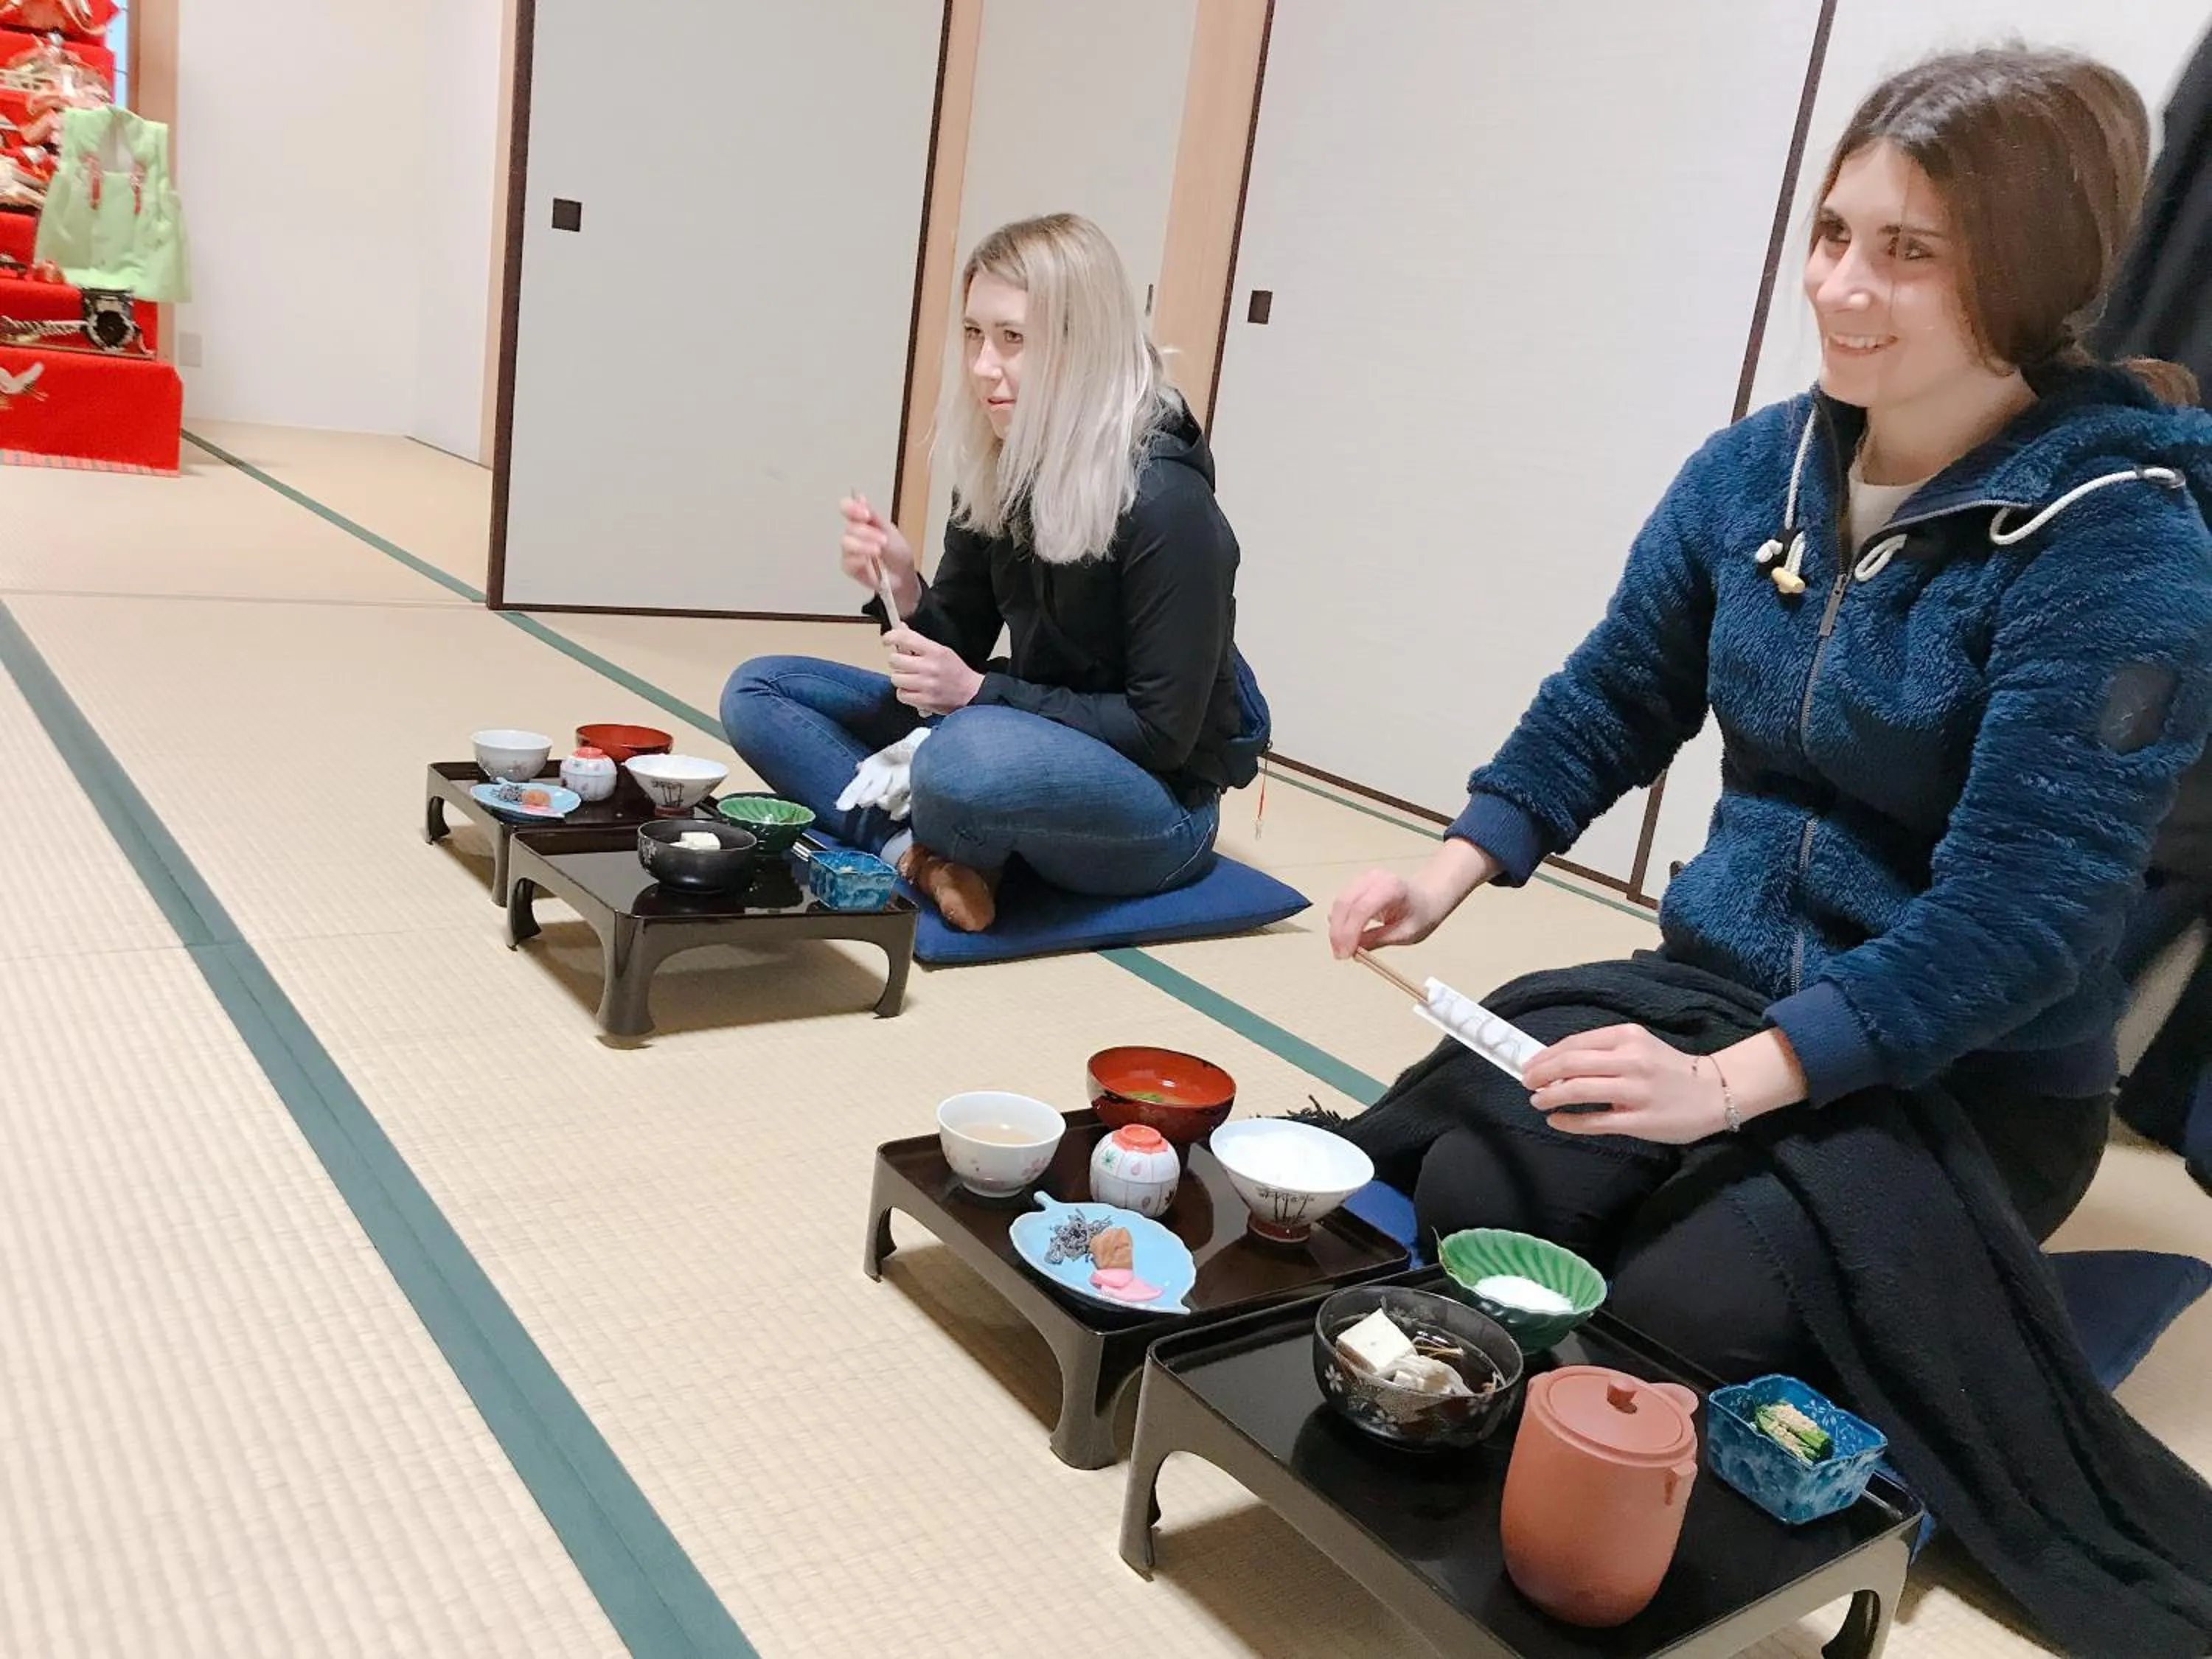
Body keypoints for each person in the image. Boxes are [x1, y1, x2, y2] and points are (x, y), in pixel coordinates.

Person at [1326, 49, 2212, 1657]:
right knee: (1482, 1182)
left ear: (2028, 271)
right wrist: (1453, 862)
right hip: (1707, 989)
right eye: (1832, 233)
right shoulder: (1761, 470)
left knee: (1684, 1320)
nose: (1841, 289)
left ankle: (1957, 1315)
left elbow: (2029, 910)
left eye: (1907, 253)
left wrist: (1736, 1090)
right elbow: (1618, 690)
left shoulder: (2123, 541)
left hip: (1964, 1077)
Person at [720, 213, 1253, 933]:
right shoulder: (1006, 462)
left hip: (1156, 809)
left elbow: (1162, 734)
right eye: (974, 334)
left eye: (1012, 339)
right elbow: (957, 649)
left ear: (1080, 344)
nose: (981, 366)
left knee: (961, 761)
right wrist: (903, 589)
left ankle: (942, 839)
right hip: (1010, 740)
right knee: (760, 690)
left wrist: (979, 695)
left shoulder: (1167, 502)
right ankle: (922, 853)